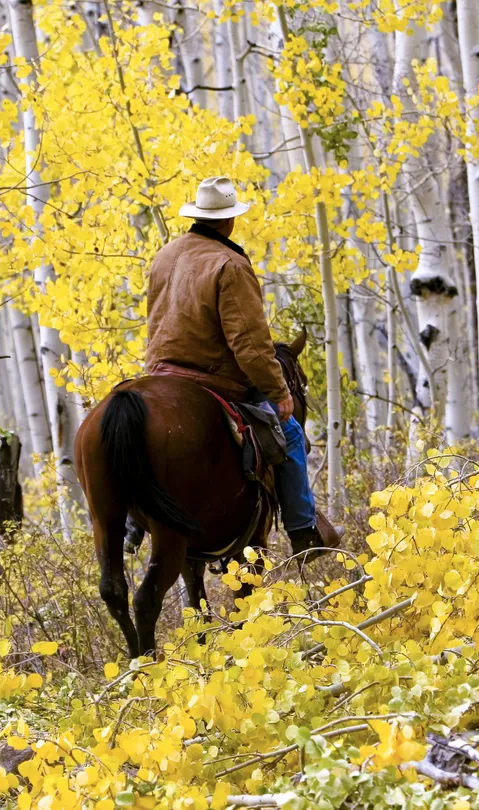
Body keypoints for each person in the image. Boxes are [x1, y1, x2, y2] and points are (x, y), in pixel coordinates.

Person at [141, 176, 342, 553]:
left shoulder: (165, 255)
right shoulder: (230, 264)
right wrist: (280, 392)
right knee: (292, 434)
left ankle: (135, 527)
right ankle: (304, 529)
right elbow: (249, 344)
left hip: (160, 374)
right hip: (213, 379)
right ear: (230, 221)